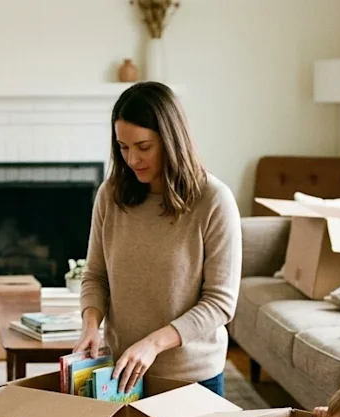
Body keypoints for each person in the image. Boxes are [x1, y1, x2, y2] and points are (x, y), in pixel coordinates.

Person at [73, 82, 241, 397]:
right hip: (121, 375)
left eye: (144, 146)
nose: (132, 159)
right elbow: (95, 275)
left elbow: (220, 303)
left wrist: (152, 344)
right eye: (123, 147)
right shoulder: (110, 195)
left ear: (171, 140)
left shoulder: (214, 200)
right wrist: (90, 325)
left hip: (192, 378)